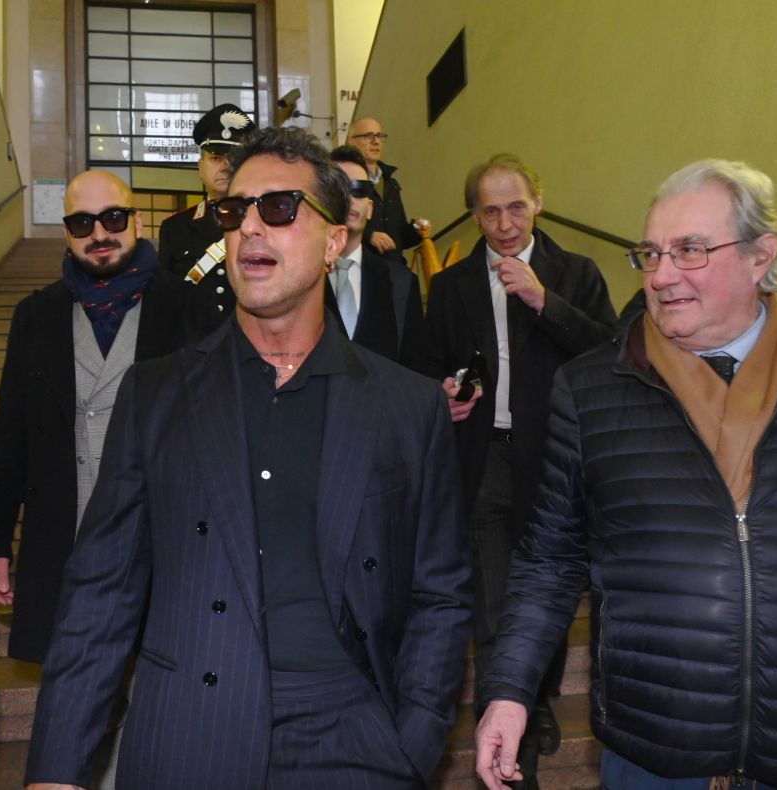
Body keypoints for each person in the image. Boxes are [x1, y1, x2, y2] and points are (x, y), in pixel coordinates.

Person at [24, 127, 472, 789]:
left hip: (355, 742)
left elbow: (441, 593)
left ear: (336, 241)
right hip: (186, 738)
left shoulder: (406, 406)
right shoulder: (155, 395)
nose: (250, 228)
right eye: (235, 211)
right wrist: (57, 770)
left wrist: (414, 738)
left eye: (281, 208)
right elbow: (100, 594)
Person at [476, 159, 777, 790]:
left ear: (761, 256)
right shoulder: (591, 391)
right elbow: (550, 563)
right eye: (651, 254)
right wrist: (509, 690)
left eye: (690, 250)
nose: (662, 275)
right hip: (656, 747)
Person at [424, 152, 616, 783]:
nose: (504, 224)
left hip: (556, 460)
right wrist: (443, 393)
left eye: (515, 207)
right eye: (490, 211)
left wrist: (543, 300)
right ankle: (517, 753)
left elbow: (609, 356)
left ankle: (535, 697)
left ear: (538, 202)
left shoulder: (576, 273)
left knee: (548, 594)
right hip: (484, 458)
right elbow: (430, 365)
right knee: (494, 608)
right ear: (473, 215)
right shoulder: (450, 286)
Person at [0, 170, 192, 664]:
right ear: (66, 232)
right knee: (72, 683)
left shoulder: (189, 308)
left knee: (161, 686)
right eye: (82, 223)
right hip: (63, 543)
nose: (99, 234)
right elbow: (10, 434)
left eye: (113, 218)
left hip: (165, 545)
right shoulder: (36, 315)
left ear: (138, 222)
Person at [325, 144, 429, 373]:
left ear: (370, 208)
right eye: (338, 188)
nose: (349, 198)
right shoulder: (299, 278)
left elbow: (416, 370)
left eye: (359, 190)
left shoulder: (401, 283)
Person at [157, 103, 255, 329]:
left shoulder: (262, 221)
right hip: (193, 343)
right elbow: (165, 299)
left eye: (233, 158)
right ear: (200, 167)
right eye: (215, 158)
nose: (225, 166)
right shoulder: (175, 228)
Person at [347, 116, 429, 263]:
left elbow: (400, 238)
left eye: (379, 136)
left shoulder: (391, 184)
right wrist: (369, 236)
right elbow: (335, 224)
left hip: (394, 269)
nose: (376, 141)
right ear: (352, 142)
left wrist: (416, 229)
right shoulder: (345, 181)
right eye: (368, 136)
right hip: (363, 268)